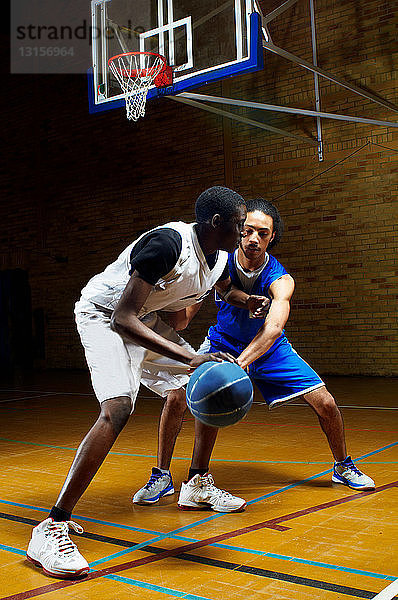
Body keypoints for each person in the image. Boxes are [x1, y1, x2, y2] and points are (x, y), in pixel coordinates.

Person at [26, 186, 270, 579]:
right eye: (240, 225)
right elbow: (122, 317)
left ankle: (196, 484)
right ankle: (51, 526)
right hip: (104, 315)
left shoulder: (218, 257)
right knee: (118, 408)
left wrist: (248, 301)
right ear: (216, 223)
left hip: (144, 319)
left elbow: (224, 288)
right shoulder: (167, 244)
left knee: (207, 379)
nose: (245, 234)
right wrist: (189, 355)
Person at [133, 198, 375, 512]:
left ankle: (343, 467)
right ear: (238, 231)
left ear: (271, 237)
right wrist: (167, 292)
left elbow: (273, 329)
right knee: (179, 396)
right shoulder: (217, 266)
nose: (253, 239)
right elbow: (181, 320)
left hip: (271, 350)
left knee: (326, 402)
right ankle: (165, 476)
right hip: (223, 345)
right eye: (248, 231)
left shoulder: (281, 279)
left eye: (262, 233)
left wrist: (239, 365)